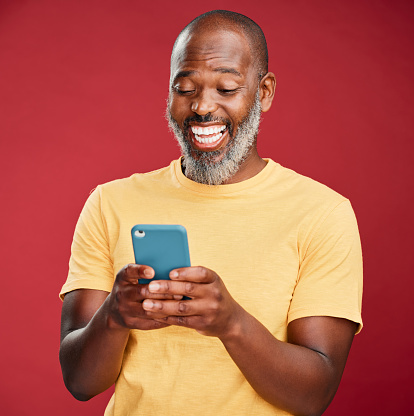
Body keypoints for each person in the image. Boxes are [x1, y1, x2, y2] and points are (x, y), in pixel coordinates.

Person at [59, 10, 363, 416]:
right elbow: (80, 382)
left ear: (264, 91)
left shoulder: (324, 214)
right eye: (185, 88)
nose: (202, 106)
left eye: (227, 87)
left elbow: (314, 396)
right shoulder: (109, 203)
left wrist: (231, 323)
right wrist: (114, 318)